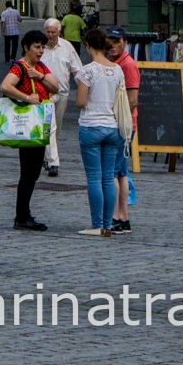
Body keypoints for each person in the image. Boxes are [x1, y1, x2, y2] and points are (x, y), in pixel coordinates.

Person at [0, 28, 60, 231]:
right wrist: (27, 98)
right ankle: (21, 216)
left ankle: (24, 214)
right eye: (37, 47)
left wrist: (40, 76)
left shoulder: (39, 67)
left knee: (33, 172)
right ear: (26, 47)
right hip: (28, 126)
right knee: (28, 172)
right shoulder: (20, 67)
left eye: (42, 47)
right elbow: (5, 86)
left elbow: (56, 86)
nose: (41, 50)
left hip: (38, 126)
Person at [72, 25, 127, 236]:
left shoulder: (87, 71)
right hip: (113, 127)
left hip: (91, 126)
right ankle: (107, 224)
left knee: (94, 178)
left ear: (87, 46)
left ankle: (96, 225)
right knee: (108, 177)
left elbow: (81, 101)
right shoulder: (117, 69)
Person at [104, 26, 139, 233]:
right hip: (121, 124)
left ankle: (117, 216)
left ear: (125, 42)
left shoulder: (127, 65)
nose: (113, 45)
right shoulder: (115, 63)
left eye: (117, 41)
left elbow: (132, 99)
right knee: (121, 172)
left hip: (122, 125)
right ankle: (123, 218)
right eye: (110, 41)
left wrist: (117, 120)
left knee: (114, 172)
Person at [38, 17, 81, 178]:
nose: (50, 35)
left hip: (62, 93)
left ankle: (45, 157)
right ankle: (53, 163)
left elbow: (77, 69)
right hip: (45, 95)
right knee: (50, 127)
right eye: (48, 32)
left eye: (53, 32)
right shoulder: (40, 47)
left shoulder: (67, 47)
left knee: (56, 130)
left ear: (59, 32)